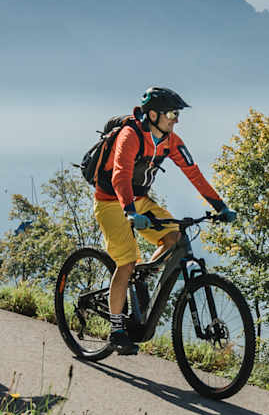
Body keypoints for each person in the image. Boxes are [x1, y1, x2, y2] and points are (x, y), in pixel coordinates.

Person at [93, 86, 237, 355]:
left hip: (139, 200)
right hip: (112, 202)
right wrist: (130, 211)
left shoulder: (171, 141)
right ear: (154, 114)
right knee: (126, 263)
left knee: (175, 238)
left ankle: (143, 276)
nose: (176, 119)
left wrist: (220, 206)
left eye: (177, 114)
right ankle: (116, 330)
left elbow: (194, 174)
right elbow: (120, 175)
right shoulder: (130, 135)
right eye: (172, 113)